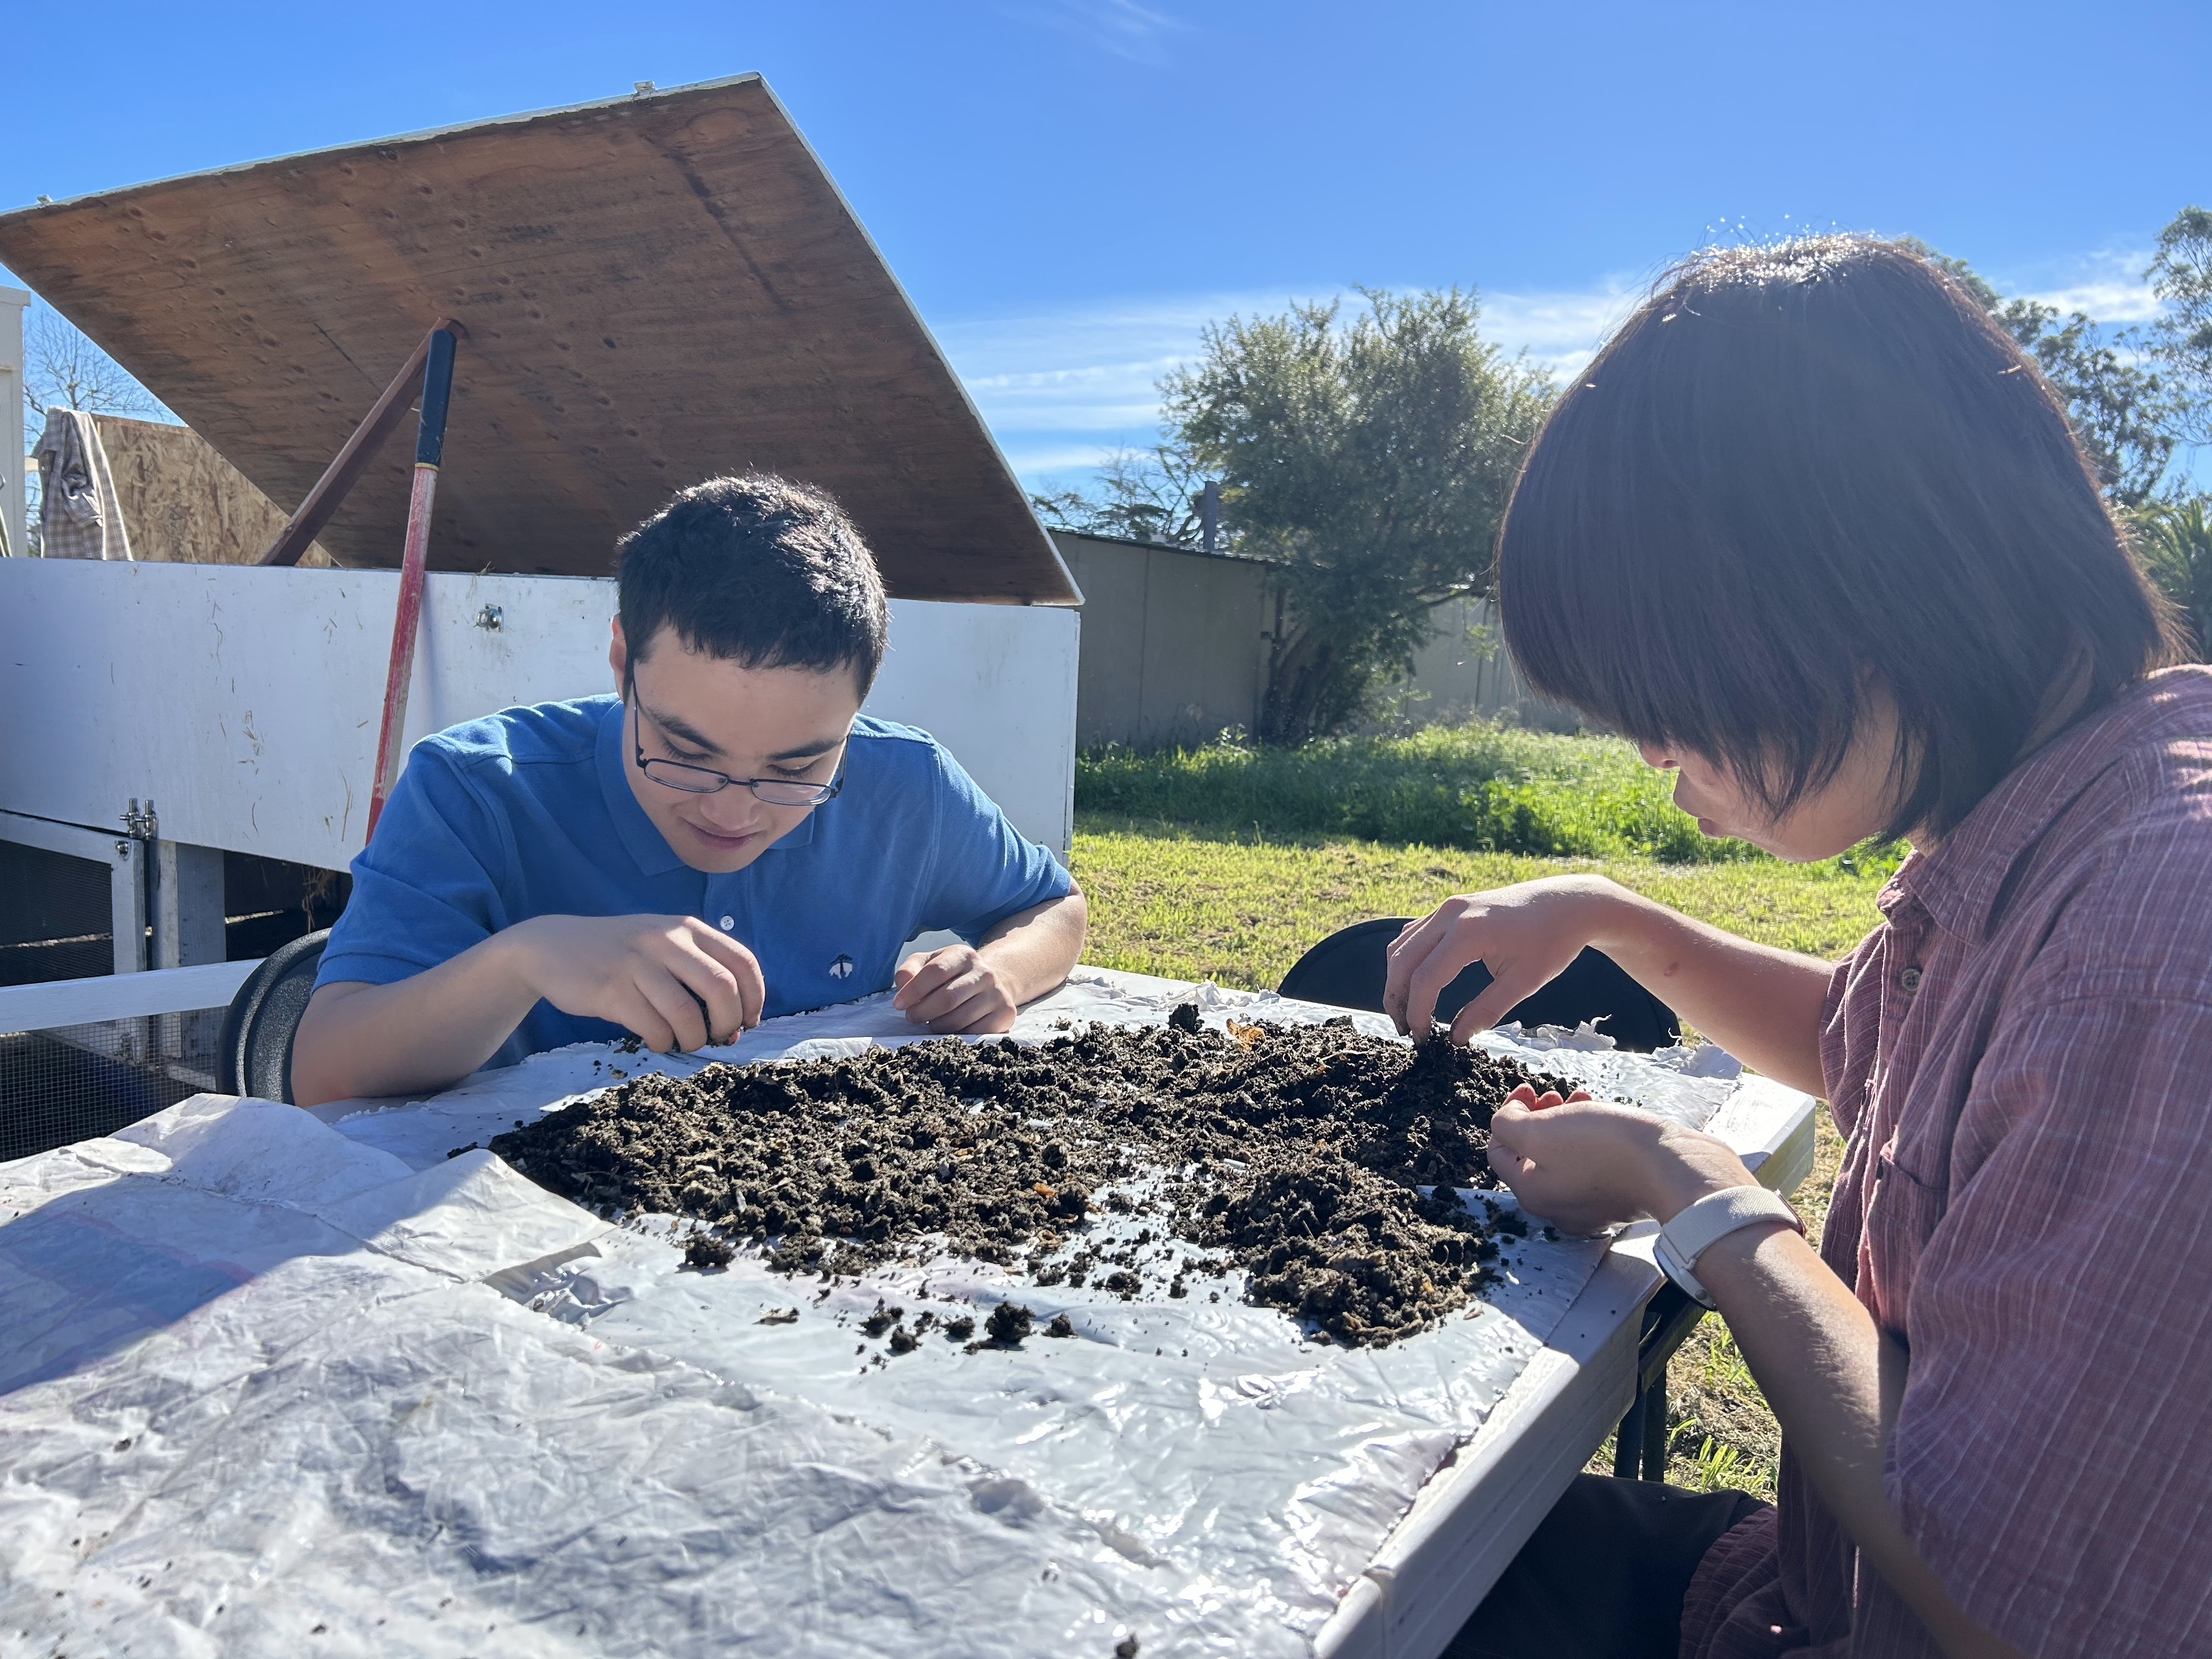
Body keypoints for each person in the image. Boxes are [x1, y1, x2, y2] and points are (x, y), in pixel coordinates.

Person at [1392, 238, 2212, 1657]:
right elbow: (1878, 1043)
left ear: (1858, 600)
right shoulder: (2069, 803)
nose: (1657, 754)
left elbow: (2004, 1589)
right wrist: (1610, 913)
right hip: (1800, 1585)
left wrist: (1692, 1187)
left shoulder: (2159, 935)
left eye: (1670, 694)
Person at [292, 475, 1086, 1107]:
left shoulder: (906, 784)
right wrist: (524, 960)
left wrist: (1001, 974)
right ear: (620, 660)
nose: (735, 811)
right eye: (683, 748)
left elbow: (1057, 906)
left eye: (796, 767)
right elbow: (322, 1073)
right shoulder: (473, 791)